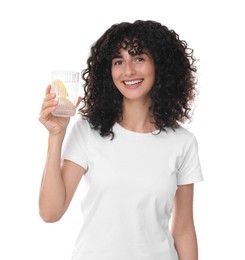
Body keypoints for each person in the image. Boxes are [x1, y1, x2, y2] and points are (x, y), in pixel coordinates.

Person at [39, 20, 203, 260]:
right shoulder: (88, 131)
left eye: (138, 58)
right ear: (109, 71)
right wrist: (56, 135)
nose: (128, 71)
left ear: (160, 64)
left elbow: (184, 228)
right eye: (118, 61)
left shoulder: (183, 142)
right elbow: (50, 212)